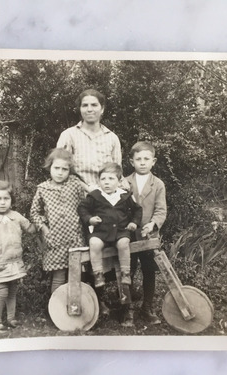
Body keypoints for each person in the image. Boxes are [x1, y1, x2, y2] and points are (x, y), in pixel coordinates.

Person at [78, 163, 142, 317]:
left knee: (124, 243)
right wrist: (90, 219)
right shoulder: (95, 196)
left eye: (111, 179)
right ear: (99, 181)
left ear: (119, 181)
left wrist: (134, 222)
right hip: (102, 232)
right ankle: (98, 274)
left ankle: (126, 273)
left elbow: (137, 210)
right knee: (94, 243)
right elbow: (82, 208)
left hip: (120, 232)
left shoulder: (124, 196)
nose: (106, 182)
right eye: (103, 179)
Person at [0, 180, 36, 333]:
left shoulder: (15, 216)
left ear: (11, 200)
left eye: (6, 198)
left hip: (14, 262)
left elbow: (29, 227)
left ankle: (11, 318)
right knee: (2, 291)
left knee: (12, 291)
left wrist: (39, 222)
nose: (2, 202)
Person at [30, 148, 86, 294]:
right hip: (54, 240)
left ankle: (75, 308)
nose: (60, 172)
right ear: (49, 167)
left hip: (74, 238)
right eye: (56, 168)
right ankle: (56, 309)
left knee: (76, 274)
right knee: (58, 276)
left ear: (69, 171)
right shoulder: (43, 189)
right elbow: (34, 212)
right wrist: (44, 228)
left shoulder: (74, 184)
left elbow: (85, 205)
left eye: (64, 169)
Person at [124, 141, 167, 326]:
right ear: (132, 161)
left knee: (149, 270)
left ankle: (147, 308)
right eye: (138, 159)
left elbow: (161, 210)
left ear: (153, 161)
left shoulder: (157, 184)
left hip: (148, 236)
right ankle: (128, 309)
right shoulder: (124, 182)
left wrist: (153, 224)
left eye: (146, 159)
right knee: (128, 270)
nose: (142, 162)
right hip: (129, 234)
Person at [57, 89, 122, 191]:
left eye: (94, 105)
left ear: (102, 109)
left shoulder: (112, 138)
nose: (89, 109)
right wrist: (88, 189)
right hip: (75, 195)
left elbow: (117, 172)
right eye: (85, 105)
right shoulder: (68, 135)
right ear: (80, 109)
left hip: (106, 197)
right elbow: (61, 170)